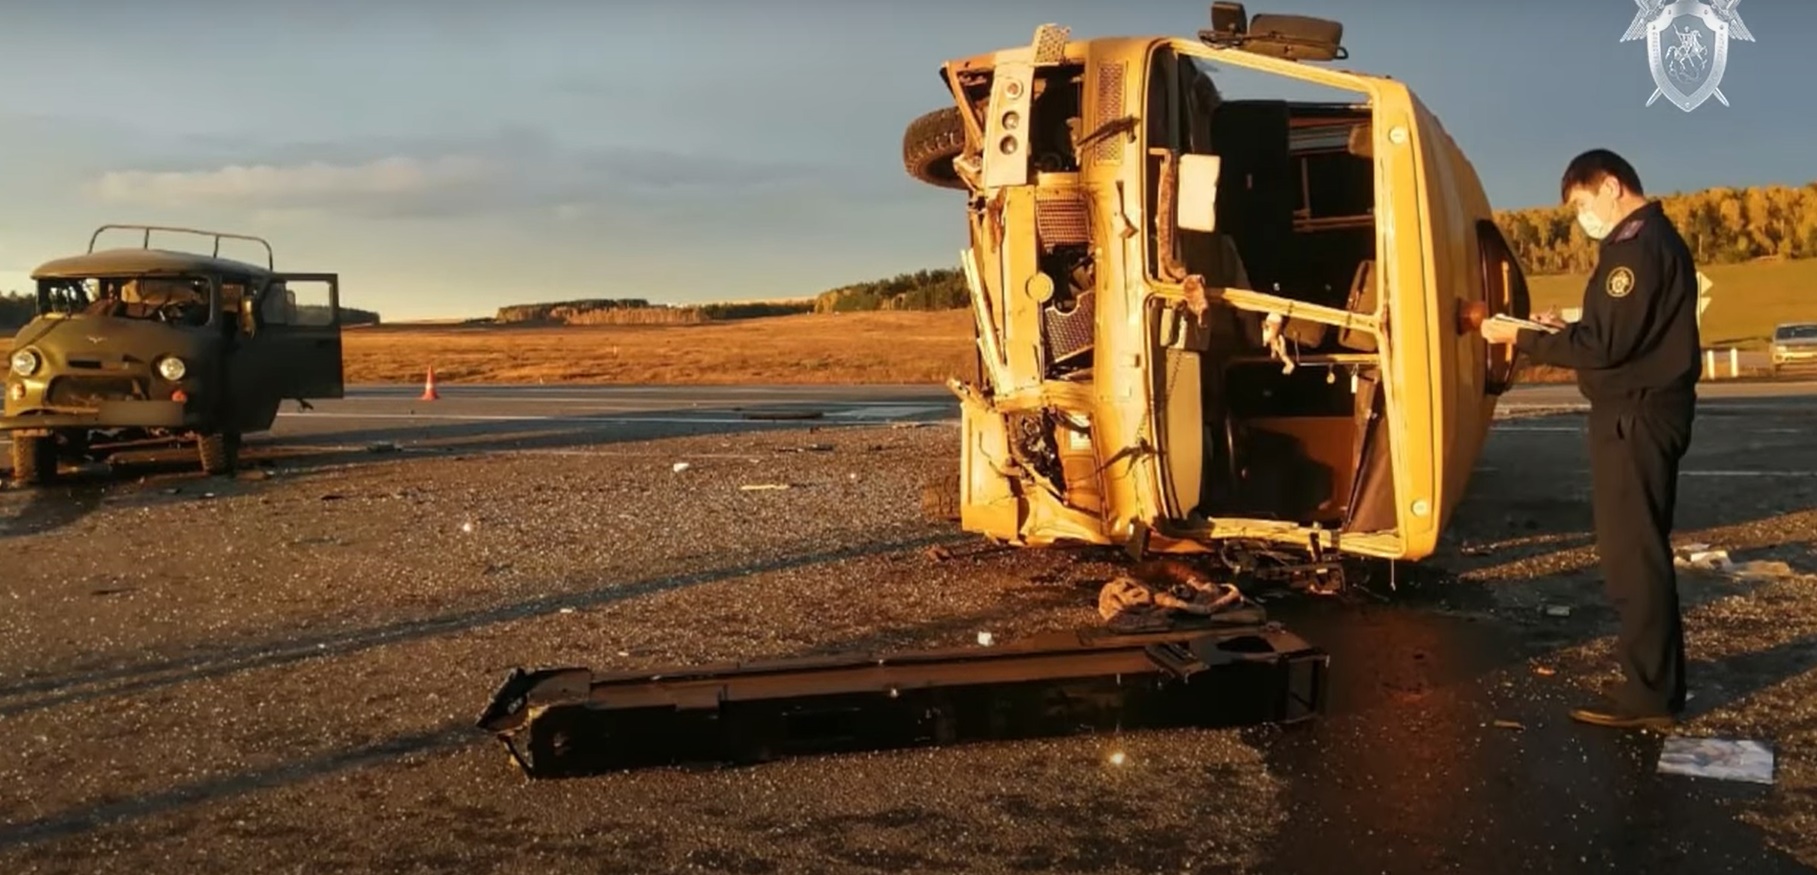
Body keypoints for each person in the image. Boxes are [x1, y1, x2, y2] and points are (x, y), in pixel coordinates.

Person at [1480, 149, 1701, 731]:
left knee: (1634, 557)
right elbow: (1614, 333)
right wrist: (1564, 330)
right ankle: (1652, 681)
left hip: (1635, 416)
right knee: (1638, 550)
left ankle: (1649, 696)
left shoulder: (1636, 249)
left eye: (1582, 203)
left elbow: (1605, 347)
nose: (1583, 218)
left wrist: (1521, 338)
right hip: (1640, 411)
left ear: (1610, 186)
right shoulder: (1646, 242)